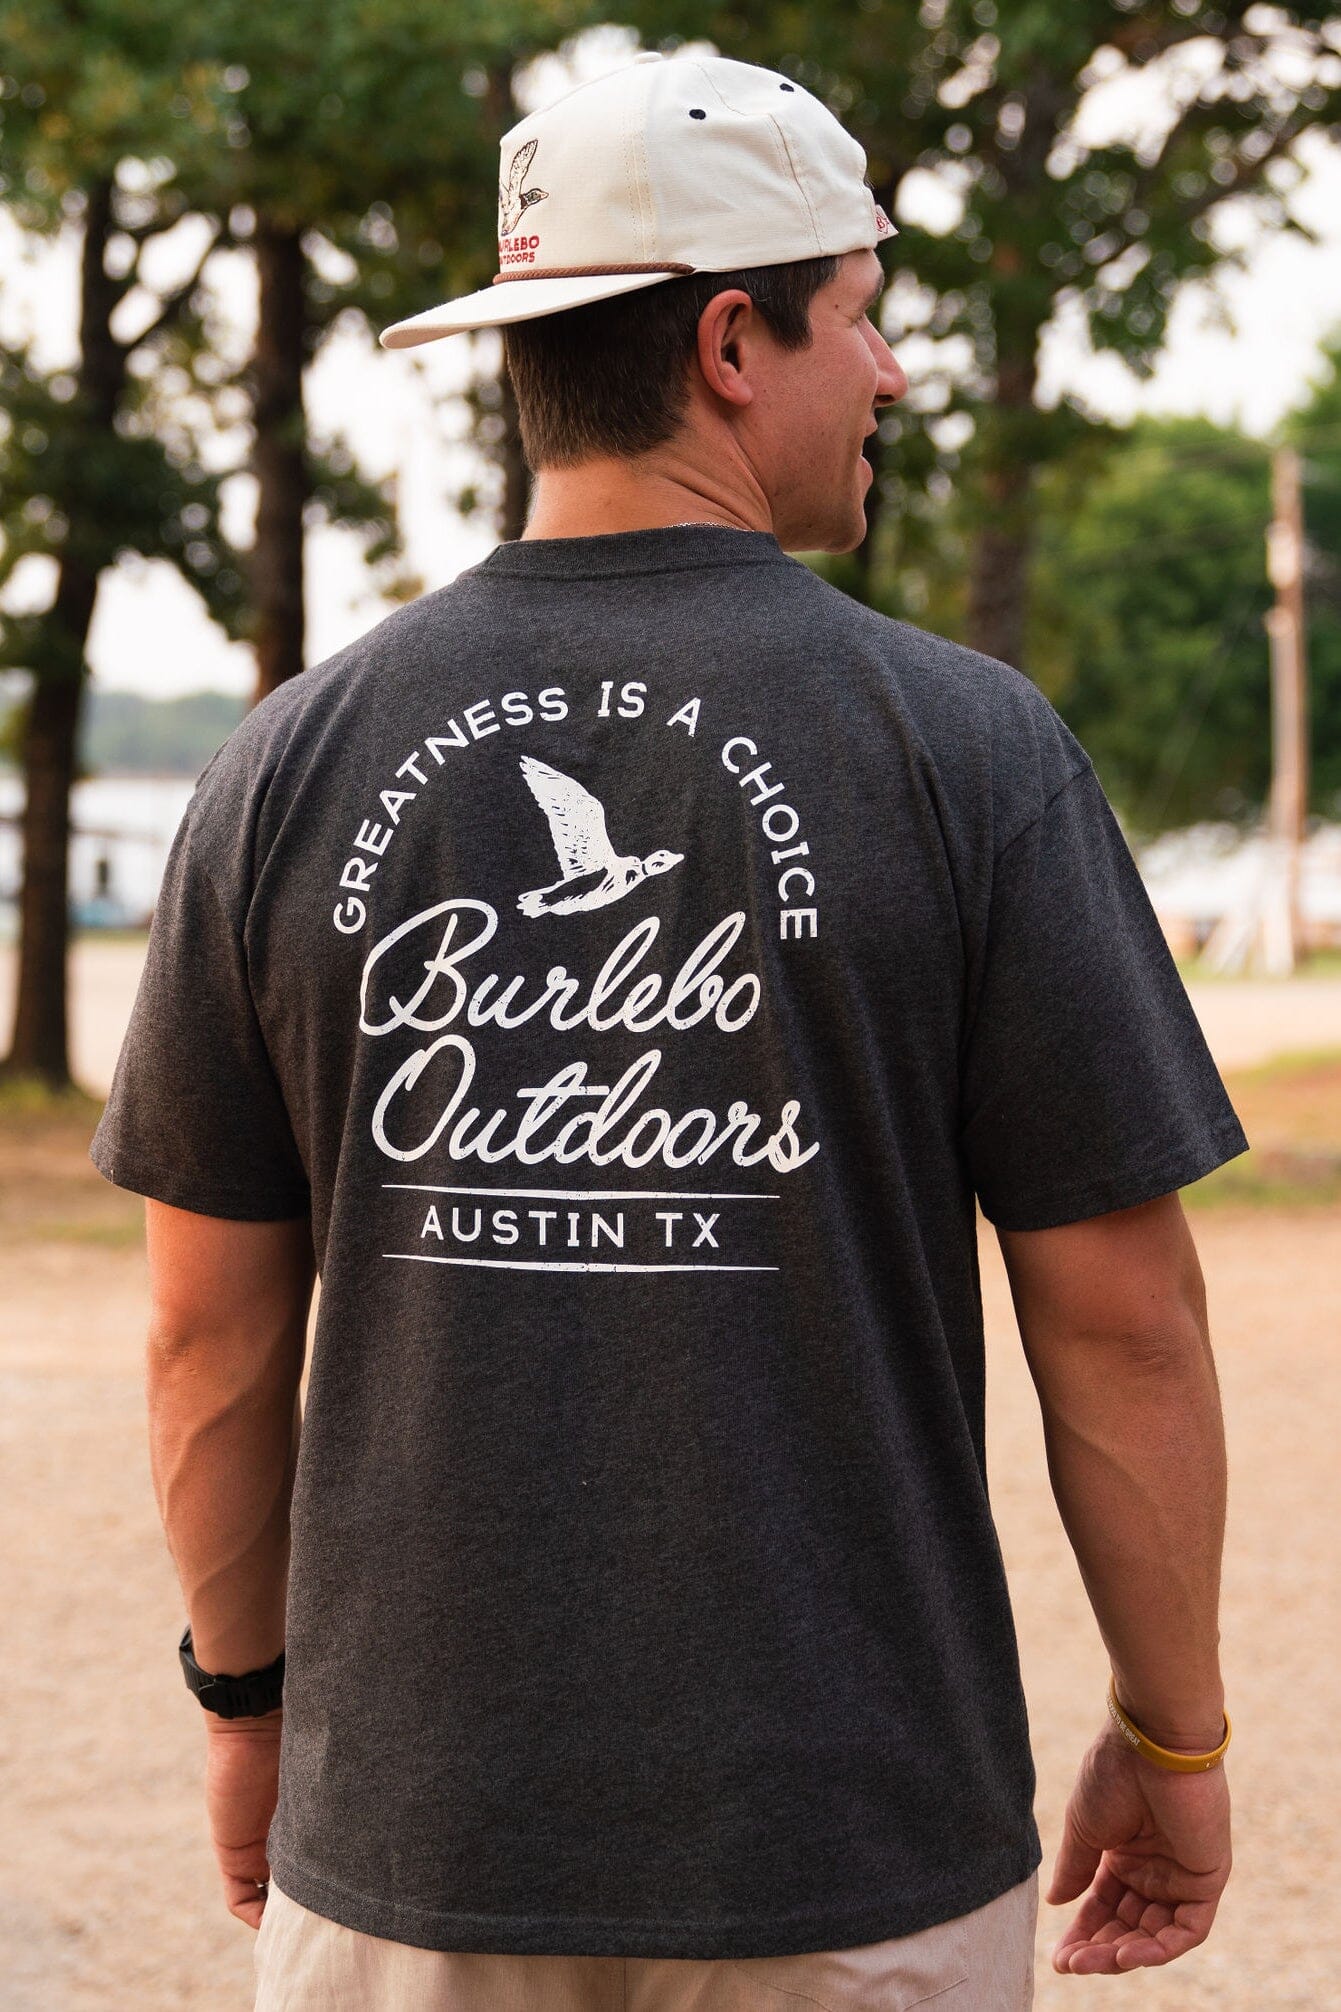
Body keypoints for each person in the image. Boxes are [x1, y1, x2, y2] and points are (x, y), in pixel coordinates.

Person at [91, 48, 1245, 2012]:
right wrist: (1173, 1734)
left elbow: (205, 1336)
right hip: (849, 1860)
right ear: (728, 342)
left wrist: (250, 1706)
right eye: (858, 317)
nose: (889, 373)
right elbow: (1122, 1322)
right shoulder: (967, 754)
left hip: (409, 1857)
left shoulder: (283, 764)